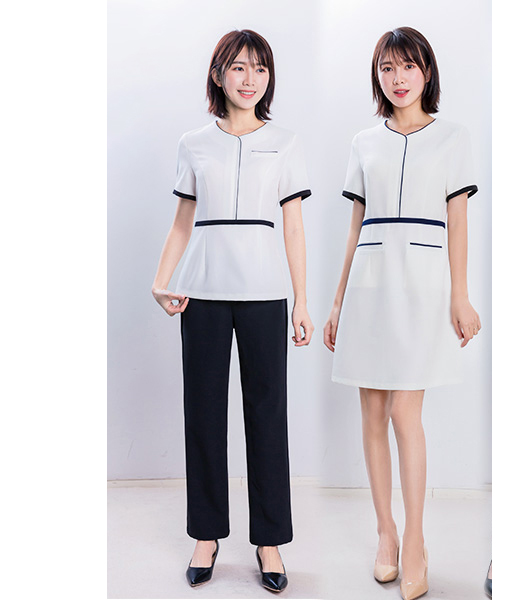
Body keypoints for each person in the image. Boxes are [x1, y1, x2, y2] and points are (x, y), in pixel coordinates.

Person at [152, 29, 314, 593]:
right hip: (202, 291)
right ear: (219, 74)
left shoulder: (286, 142)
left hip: (266, 291)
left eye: (260, 69)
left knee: (267, 414)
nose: (250, 79)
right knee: (203, 412)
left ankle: (269, 540)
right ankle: (205, 535)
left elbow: (293, 226)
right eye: (239, 67)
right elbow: (182, 222)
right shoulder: (194, 142)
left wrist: (301, 299)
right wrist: (160, 280)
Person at [324, 26, 481, 600]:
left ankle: (415, 539)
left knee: (404, 412)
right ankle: (385, 534)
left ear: (427, 72)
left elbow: (458, 220)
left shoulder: (453, 137)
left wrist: (460, 295)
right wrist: (337, 300)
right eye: (387, 68)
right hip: (369, 282)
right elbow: (355, 225)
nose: (397, 78)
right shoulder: (364, 141)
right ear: (378, 76)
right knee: (371, 410)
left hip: (421, 284)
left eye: (408, 66)